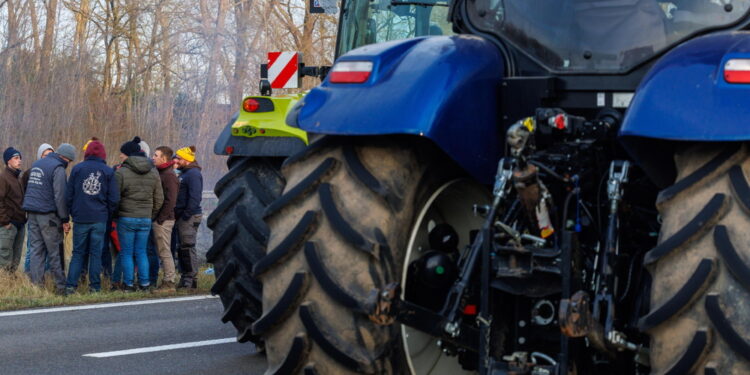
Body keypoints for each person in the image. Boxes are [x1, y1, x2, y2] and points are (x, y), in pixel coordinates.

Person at [64, 140, 118, 294]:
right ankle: (95, 287)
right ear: (103, 154)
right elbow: (113, 199)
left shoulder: (77, 169)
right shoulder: (108, 172)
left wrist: (71, 214)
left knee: (78, 253)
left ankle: (70, 286)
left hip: (80, 217)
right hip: (99, 218)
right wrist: (106, 214)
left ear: (87, 153)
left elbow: (69, 195)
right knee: (96, 253)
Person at [22, 143, 75, 293]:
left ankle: (37, 288)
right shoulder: (57, 168)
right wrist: (65, 219)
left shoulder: (37, 164)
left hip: (31, 214)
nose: (68, 164)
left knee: (36, 251)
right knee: (54, 252)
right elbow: (60, 196)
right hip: (48, 216)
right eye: (69, 161)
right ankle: (60, 287)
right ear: (65, 157)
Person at [114, 137, 163, 291]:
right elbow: (159, 198)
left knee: (127, 252)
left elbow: (115, 198)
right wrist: (151, 214)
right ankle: (145, 283)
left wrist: (117, 214)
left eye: (122, 154)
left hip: (126, 218)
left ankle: (128, 284)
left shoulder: (121, 172)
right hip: (145, 218)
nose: (120, 156)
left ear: (128, 155)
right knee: (141, 252)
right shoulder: (153, 172)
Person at [22, 143, 54, 274]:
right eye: (45, 155)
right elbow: (24, 193)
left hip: (48, 216)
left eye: (51, 155)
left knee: (47, 248)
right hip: (33, 215)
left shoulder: (54, 170)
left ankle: (44, 276)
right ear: (40, 156)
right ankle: (28, 275)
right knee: (32, 248)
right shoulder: (29, 173)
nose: (48, 158)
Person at [150, 146, 179, 290]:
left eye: (156, 155)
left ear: (164, 158)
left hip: (164, 220)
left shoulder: (169, 176)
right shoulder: (161, 173)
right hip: (161, 219)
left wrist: (160, 219)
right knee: (161, 250)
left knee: (164, 250)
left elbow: (171, 200)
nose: (153, 157)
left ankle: (169, 281)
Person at [174, 146, 202, 289]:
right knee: (182, 247)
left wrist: (186, 215)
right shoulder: (185, 173)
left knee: (187, 246)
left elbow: (195, 197)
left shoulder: (193, 174)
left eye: (178, 158)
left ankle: (190, 279)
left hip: (189, 216)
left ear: (186, 159)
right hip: (183, 216)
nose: (176, 160)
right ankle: (186, 277)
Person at [0, 148, 26, 273]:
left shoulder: (18, 177)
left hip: (20, 223)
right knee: (5, 258)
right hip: (8, 225)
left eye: (19, 158)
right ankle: (4, 284)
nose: (19, 160)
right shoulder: (3, 178)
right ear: (8, 161)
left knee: (16, 258)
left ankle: (12, 284)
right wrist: (5, 222)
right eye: (16, 158)